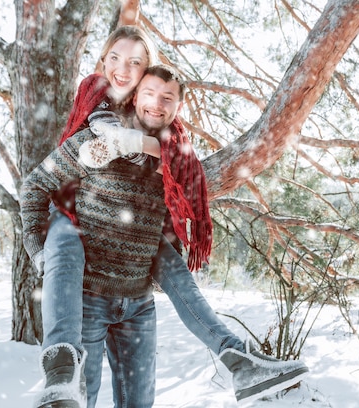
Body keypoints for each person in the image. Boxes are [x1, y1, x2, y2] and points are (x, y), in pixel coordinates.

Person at [23, 62, 308, 407]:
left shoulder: (177, 160)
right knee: (79, 399)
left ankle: (241, 364)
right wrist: (38, 247)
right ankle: (238, 360)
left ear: (178, 107)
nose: (157, 105)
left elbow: (186, 201)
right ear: (133, 97)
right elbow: (36, 185)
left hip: (138, 303)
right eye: (149, 94)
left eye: (167, 98)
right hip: (89, 297)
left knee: (139, 403)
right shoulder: (96, 141)